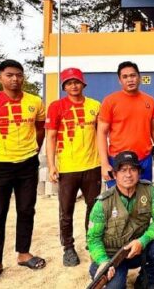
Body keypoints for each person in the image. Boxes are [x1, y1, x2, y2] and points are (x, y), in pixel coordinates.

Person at [0, 59, 47, 288]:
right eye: (10, 75)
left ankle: (24, 254)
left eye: (19, 75)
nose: (15, 79)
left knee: (26, 210)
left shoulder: (35, 102)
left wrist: (33, 149)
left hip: (27, 165)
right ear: (0, 78)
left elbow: (41, 127)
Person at [87, 150, 154, 289]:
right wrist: (103, 261)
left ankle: (145, 282)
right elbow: (93, 239)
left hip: (139, 249)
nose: (128, 174)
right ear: (115, 175)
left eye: (133, 169)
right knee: (115, 286)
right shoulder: (103, 203)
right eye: (123, 170)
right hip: (112, 258)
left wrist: (142, 241)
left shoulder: (149, 191)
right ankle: (100, 271)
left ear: (139, 173)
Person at [44, 67, 101, 267]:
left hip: (93, 165)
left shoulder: (95, 105)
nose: (73, 86)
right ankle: (68, 247)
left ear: (83, 83)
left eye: (76, 82)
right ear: (64, 86)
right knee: (66, 210)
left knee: (94, 209)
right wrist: (51, 165)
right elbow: (50, 137)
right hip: (67, 168)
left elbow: (101, 135)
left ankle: (92, 242)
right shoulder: (56, 106)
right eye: (69, 83)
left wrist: (105, 162)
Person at [97, 61, 154, 185]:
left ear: (139, 77)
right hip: (118, 161)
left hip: (143, 160)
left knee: (143, 200)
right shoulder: (110, 101)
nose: (130, 80)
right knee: (119, 202)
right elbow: (101, 133)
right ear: (120, 80)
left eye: (133, 75)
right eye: (125, 77)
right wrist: (104, 163)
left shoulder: (149, 101)